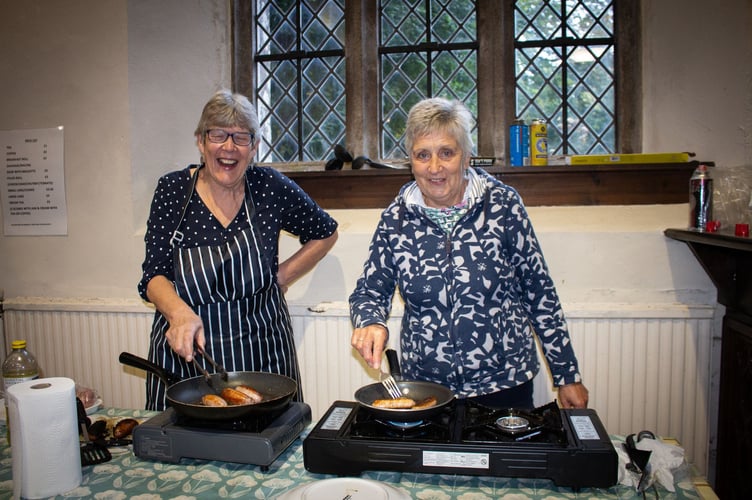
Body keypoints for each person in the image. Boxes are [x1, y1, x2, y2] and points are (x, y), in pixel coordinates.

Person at [349, 97, 588, 409]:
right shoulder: (396, 218)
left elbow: (538, 292)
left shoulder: (502, 205)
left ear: (466, 157)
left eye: (446, 152)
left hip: (504, 384)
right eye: (423, 155)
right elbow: (369, 290)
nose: (435, 168)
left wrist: (566, 374)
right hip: (426, 389)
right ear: (411, 160)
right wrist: (370, 321)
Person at [138, 89, 338, 410]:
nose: (229, 146)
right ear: (201, 142)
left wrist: (281, 276)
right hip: (189, 355)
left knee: (267, 441)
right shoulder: (173, 190)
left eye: (241, 138)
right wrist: (179, 314)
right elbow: (154, 275)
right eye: (218, 135)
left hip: (262, 353)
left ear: (254, 147)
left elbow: (326, 232)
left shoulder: (269, 187)